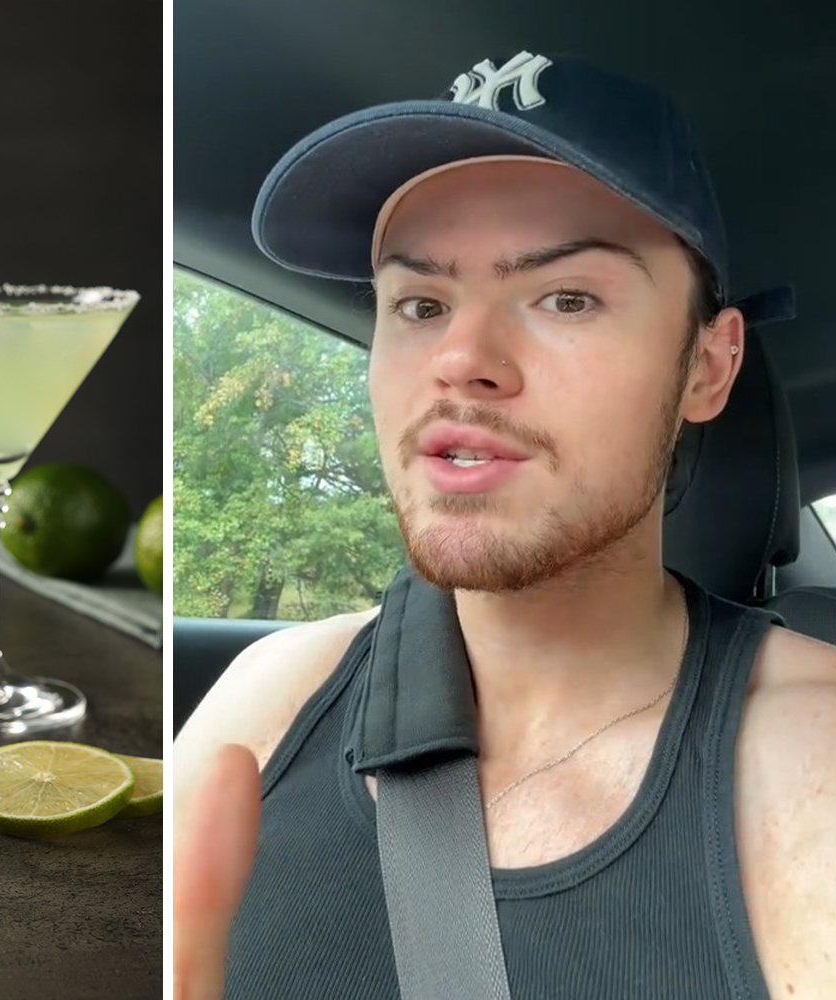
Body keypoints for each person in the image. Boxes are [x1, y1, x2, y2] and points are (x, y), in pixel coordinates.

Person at [172, 51, 834, 998]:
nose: (460, 358)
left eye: (566, 297)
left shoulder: (817, 763)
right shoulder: (270, 699)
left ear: (708, 367)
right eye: (419, 303)